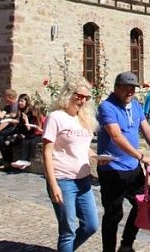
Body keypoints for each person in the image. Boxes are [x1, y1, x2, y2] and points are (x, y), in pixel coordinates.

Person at [96, 71, 150, 252]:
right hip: (112, 169)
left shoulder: (135, 105)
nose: (130, 92)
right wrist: (141, 156)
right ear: (116, 88)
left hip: (132, 168)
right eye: (126, 88)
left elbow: (146, 128)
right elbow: (115, 135)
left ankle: (126, 244)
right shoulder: (107, 107)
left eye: (133, 89)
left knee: (141, 205)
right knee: (114, 214)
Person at [42, 78, 100, 252]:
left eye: (86, 98)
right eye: (79, 96)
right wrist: (53, 185)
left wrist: (97, 157)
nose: (82, 101)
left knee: (91, 225)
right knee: (67, 230)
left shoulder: (84, 119)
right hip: (63, 180)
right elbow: (46, 152)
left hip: (83, 180)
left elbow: (82, 146)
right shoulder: (56, 117)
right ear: (68, 95)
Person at [7, 93, 45, 169]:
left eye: (34, 111)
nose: (32, 112)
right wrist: (27, 121)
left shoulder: (43, 119)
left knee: (32, 142)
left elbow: (44, 131)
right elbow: (28, 128)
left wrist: (38, 128)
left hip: (40, 135)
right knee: (25, 141)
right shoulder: (34, 118)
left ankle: (28, 160)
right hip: (35, 134)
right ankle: (23, 160)